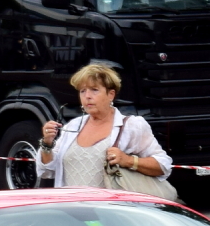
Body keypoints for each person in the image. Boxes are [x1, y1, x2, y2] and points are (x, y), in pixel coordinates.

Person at [37, 64, 172, 188]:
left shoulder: (132, 126)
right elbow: (48, 171)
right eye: (82, 91)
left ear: (111, 94)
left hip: (110, 211)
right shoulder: (73, 126)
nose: (87, 96)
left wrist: (129, 160)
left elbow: (163, 165)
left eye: (94, 90)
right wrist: (47, 144)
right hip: (72, 210)